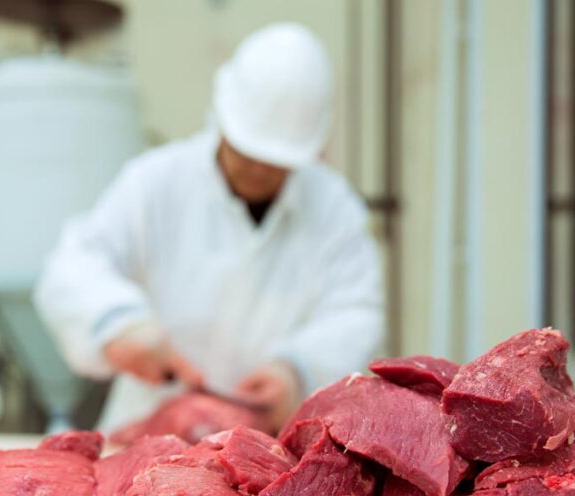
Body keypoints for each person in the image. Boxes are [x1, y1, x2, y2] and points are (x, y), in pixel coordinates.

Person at [34, 22, 384, 432]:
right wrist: (121, 324)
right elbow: (73, 265)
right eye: (247, 151)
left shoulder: (333, 207)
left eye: (274, 162)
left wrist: (298, 370)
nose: (257, 169)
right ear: (221, 119)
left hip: (267, 444)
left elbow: (355, 312)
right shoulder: (155, 181)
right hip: (147, 434)